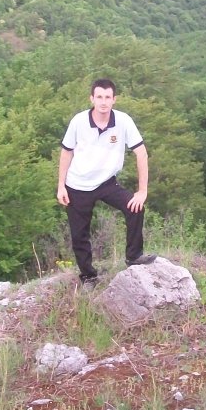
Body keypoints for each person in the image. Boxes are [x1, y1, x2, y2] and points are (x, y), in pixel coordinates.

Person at [57, 78, 156, 286]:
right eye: (99, 97)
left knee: (135, 207)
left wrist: (142, 191)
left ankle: (134, 256)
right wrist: (61, 186)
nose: (103, 102)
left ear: (114, 99)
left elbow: (141, 153)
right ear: (92, 99)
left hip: (106, 182)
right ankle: (88, 276)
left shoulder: (123, 121)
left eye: (107, 97)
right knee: (79, 234)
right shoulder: (79, 121)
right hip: (78, 184)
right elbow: (66, 152)